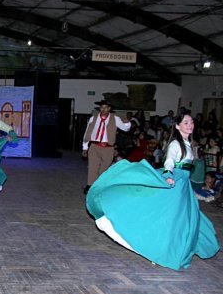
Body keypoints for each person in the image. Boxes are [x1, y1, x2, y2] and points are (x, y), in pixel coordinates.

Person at [86, 108, 220, 270]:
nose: (190, 125)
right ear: (177, 126)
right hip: (176, 181)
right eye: (186, 122)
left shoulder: (189, 144)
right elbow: (169, 161)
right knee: (165, 214)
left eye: (191, 122)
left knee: (181, 217)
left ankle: (172, 247)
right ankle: (157, 248)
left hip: (184, 183)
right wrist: (169, 174)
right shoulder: (175, 144)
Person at [82, 100, 131, 194]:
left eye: (106, 107)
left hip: (108, 148)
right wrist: (85, 147)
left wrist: (127, 123)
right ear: (99, 108)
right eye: (102, 107)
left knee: (104, 169)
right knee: (93, 168)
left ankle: (99, 186)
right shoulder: (93, 118)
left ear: (109, 109)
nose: (103, 109)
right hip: (94, 146)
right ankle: (90, 186)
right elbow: (87, 133)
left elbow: (125, 129)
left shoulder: (115, 119)